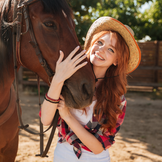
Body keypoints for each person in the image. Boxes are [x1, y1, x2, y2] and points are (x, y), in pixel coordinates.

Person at [40, 16, 141, 162]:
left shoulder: (117, 99)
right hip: (63, 155)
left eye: (110, 49)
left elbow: (98, 147)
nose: (101, 49)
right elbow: (45, 120)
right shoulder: (70, 78)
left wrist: (67, 116)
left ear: (117, 60)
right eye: (99, 42)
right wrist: (58, 78)